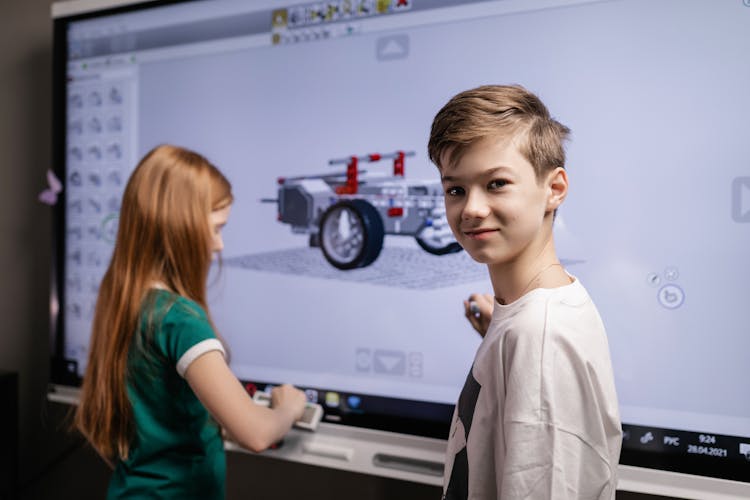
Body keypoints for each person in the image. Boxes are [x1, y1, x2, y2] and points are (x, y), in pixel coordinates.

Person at [74, 144, 307, 499]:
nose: (219, 245)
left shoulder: (126, 300)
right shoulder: (180, 320)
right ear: (178, 227)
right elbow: (256, 435)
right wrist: (289, 408)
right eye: (215, 228)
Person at [428, 85, 622, 499]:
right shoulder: (530, 323)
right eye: (455, 190)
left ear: (554, 189)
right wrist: (500, 339)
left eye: (496, 183)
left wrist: (522, 346)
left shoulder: (539, 338)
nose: (471, 209)